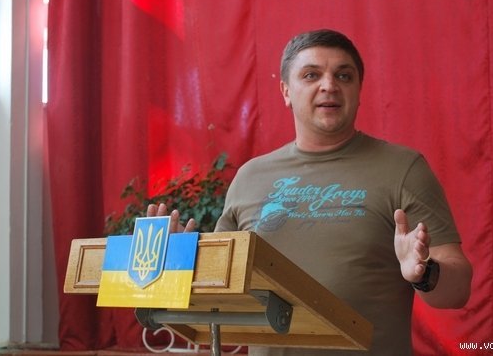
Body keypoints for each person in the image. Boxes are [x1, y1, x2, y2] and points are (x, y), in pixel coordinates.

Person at [148, 29, 473, 355]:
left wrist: (424, 272)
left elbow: (457, 291)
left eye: (344, 75)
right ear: (286, 91)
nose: (329, 85)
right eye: (311, 75)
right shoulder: (249, 178)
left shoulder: (403, 169)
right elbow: (219, 293)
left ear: (359, 90)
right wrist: (177, 263)